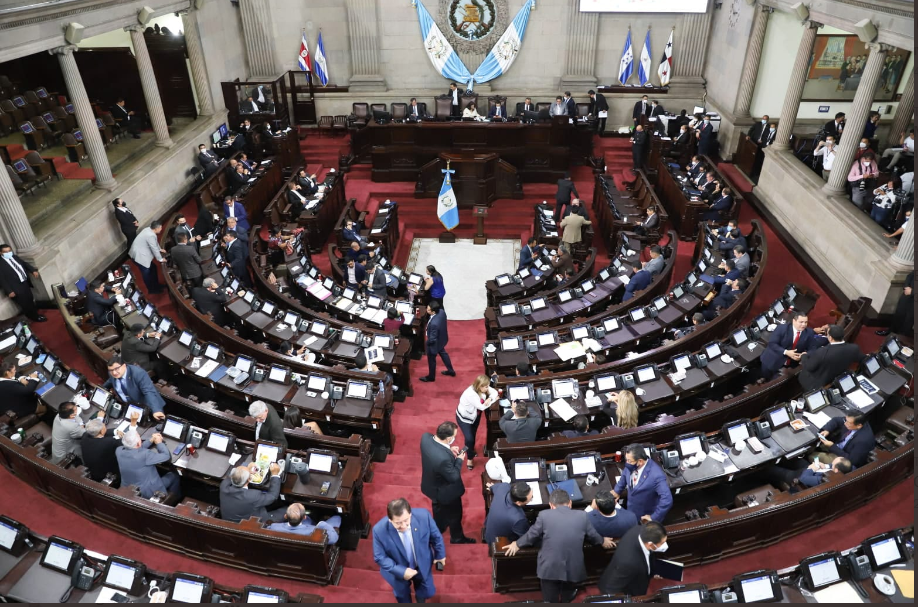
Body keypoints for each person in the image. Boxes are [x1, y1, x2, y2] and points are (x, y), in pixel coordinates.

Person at [503, 489, 614, 603]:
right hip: (573, 566)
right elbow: (593, 535)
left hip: (549, 567)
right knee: (568, 590)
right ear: (570, 503)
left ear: (551, 505)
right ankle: (567, 598)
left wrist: (517, 544)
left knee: (550, 596)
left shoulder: (544, 515)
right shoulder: (583, 516)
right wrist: (602, 541)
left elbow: (532, 534)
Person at [373, 498, 446, 603]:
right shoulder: (379, 530)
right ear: (390, 520)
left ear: (410, 514)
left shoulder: (424, 516)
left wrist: (440, 555)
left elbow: (436, 537)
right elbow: (379, 557)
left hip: (421, 564)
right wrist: (402, 571)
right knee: (402, 596)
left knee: (426, 592)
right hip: (397, 571)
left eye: (406, 520)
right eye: (398, 523)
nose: (403, 526)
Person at [420, 421, 474, 543]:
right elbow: (454, 476)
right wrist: (459, 460)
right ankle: (457, 538)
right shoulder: (443, 459)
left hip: (430, 486)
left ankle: (439, 527)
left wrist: (449, 449)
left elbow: (438, 450)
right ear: (449, 438)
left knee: (437, 508)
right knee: (455, 515)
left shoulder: (425, 437)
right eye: (454, 436)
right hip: (446, 492)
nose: (455, 438)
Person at [598, 522, 669, 596]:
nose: (665, 545)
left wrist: (653, 572)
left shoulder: (642, 530)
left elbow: (648, 556)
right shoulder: (628, 563)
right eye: (662, 543)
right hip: (630, 589)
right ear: (650, 544)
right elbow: (609, 589)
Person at [759, 311, 829, 380]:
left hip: (791, 365)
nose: (804, 325)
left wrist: (805, 354)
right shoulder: (782, 328)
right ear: (794, 321)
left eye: (806, 322)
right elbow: (772, 344)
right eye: (801, 322)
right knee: (765, 379)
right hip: (772, 360)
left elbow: (813, 348)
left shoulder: (809, 332)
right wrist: (786, 352)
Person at [611, 444, 673, 523]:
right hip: (631, 509)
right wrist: (617, 490)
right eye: (626, 460)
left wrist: (654, 517)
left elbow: (667, 500)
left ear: (640, 461)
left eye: (629, 460)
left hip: (645, 516)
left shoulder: (656, 475)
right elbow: (625, 474)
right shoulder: (631, 465)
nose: (627, 463)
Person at [102, 354, 167, 420]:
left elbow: (149, 392)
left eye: (116, 369)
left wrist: (156, 410)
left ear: (124, 365)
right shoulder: (112, 374)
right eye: (111, 370)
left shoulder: (138, 373)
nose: (114, 373)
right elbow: (110, 381)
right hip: (131, 408)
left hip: (148, 408)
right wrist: (101, 390)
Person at [798, 325, 863, 391]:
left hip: (814, 384)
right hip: (834, 380)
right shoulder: (854, 348)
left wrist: (804, 356)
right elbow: (861, 358)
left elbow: (809, 367)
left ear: (831, 338)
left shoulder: (822, 352)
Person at [455, 374, 496, 470]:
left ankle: (471, 450)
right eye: (486, 387)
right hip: (464, 419)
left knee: (473, 436)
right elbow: (481, 406)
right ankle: (470, 458)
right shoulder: (470, 394)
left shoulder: (482, 387)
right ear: (480, 386)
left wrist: (490, 398)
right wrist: (493, 400)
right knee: (469, 438)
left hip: (475, 416)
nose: (487, 388)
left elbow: (494, 393)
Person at [0, 244, 45, 322]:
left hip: (24, 282)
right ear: (1, 253)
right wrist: (9, 291)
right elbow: (2, 279)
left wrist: (33, 270)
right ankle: (35, 317)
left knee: (30, 298)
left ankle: (33, 314)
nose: (8, 253)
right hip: (15, 287)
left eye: (9, 251)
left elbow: (24, 264)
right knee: (25, 303)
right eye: (5, 252)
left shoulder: (14, 257)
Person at [81, 416, 131, 483]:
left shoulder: (85, 436)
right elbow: (127, 444)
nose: (105, 427)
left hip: (92, 470)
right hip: (106, 474)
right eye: (104, 426)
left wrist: (115, 432)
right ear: (102, 431)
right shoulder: (109, 442)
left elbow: (98, 433)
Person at [763, 456, 851, 491]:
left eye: (833, 465)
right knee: (790, 458)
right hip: (810, 469)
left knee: (769, 469)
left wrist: (811, 469)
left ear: (836, 470)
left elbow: (803, 479)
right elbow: (831, 465)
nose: (831, 464)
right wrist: (825, 466)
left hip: (798, 478)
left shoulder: (823, 480)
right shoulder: (844, 470)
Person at [268, 503, 341, 544]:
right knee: (337, 518)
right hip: (310, 532)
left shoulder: (274, 527)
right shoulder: (314, 531)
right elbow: (334, 538)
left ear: (285, 516)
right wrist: (322, 524)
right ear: (304, 517)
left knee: (309, 520)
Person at [420, 300, 455, 382]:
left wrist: (426, 343)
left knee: (431, 360)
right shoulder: (441, 312)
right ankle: (451, 370)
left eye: (428, 310)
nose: (426, 310)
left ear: (433, 312)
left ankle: (431, 377)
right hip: (442, 339)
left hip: (434, 344)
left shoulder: (434, 324)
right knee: (443, 353)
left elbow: (432, 339)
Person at [129, 221, 166, 294]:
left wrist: (159, 249)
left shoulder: (148, 229)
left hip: (138, 253)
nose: (161, 229)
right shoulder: (150, 235)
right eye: (160, 228)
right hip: (139, 257)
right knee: (146, 272)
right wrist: (160, 259)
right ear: (156, 228)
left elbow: (154, 243)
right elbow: (153, 248)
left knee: (153, 268)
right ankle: (152, 290)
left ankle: (156, 285)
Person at [877, 271, 913, 337]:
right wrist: (906, 287)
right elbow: (910, 276)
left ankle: (901, 339)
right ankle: (891, 332)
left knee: (908, 320)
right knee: (898, 315)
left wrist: (912, 291)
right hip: (906, 295)